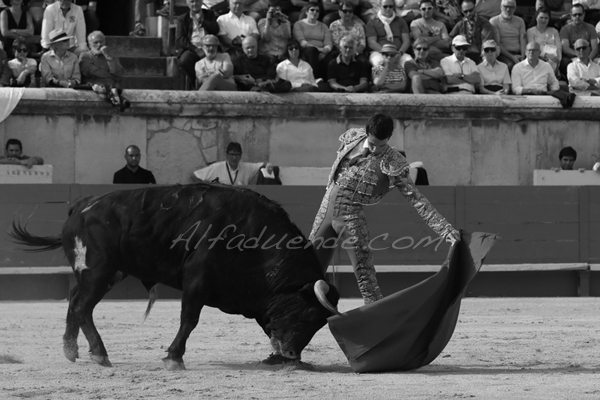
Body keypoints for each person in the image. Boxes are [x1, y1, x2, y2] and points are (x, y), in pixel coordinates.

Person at [308, 113, 460, 304]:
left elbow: (418, 201)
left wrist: (445, 229)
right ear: (366, 132)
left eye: (380, 145)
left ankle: (377, 318)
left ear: (389, 138)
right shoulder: (352, 136)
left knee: (365, 274)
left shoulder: (394, 162)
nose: (374, 149)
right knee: (309, 267)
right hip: (326, 207)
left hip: (350, 215)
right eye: (372, 144)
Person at [79, 31, 130, 112]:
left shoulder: (111, 56)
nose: (99, 45)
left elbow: (119, 73)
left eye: (101, 42)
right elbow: (91, 71)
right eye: (95, 42)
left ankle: (117, 99)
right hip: (97, 88)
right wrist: (111, 75)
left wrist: (108, 57)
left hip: (113, 87)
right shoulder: (85, 56)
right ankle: (118, 100)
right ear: (89, 45)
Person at [175, 0, 220, 86]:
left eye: (197, 1)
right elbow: (180, 40)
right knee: (185, 60)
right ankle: (197, 81)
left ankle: (211, 83)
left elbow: (216, 30)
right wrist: (196, 50)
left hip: (209, 47)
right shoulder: (182, 18)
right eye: (192, 2)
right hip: (193, 49)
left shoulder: (209, 14)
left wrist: (202, 22)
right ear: (187, 3)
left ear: (202, 2)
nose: (195, 4)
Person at [192, 141, 274, 185]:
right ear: (227, 155)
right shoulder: (216, 168)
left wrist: (269, 166)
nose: (234, 158)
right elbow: (194, 176)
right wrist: (207, 187)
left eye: (236, 155)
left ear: (241, 156)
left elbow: (263, 164)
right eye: (231, 154)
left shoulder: (247, 167)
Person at [292, 1, 334, 79]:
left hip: (322, 51)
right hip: (306, 50)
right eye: (312, 10)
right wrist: (319, 49)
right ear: (306, 12)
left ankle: (326, 82)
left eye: (317, 11)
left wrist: (325, 51)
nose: (315, 12)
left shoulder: (323, 26)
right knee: (312, 51)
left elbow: (328, 42)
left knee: (329, 57)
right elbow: (302, 42)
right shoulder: (299, 24)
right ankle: (313, 79)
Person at [366, 0, 412, 68]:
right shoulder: (372, 22)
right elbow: (372, 42)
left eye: (390, 6)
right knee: (378, 63)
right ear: (380, 6)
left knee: (410, 62)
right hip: (380, 53)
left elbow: (406, 41)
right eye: (385, 6)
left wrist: (400, 53)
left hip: (398, 53)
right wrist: (387, 54)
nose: (388, 9)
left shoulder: (401, 21)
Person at [559, 4, 599, 76]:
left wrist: (588, 58)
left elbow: (595, 49)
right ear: (571, 16)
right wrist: (580, 55)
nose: (577, 17)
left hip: (589, 56)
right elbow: (566, 49)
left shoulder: (591, 28)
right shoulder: (565, 29)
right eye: (575, 15)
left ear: (584, 15)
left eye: (580, 14)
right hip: (573, 57)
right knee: (565, 63)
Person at [489, 0, 526, 71]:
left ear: (515, 8)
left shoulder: (520, 21)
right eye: (506, 6)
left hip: (518, 53)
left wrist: (523, 56)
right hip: (502, 54)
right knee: (510, 65)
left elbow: (523, 39)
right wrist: (512, 57)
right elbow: (497, 43)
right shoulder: (494, 21)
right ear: (500, 7)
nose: (508, 9)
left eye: (511, 7)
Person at [527, 7, 562, 74]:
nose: (543, 20)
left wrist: (557, 58)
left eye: (546, 18)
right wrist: (545, 55)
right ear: (536, 17)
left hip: (554, 57)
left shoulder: (554, 31)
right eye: (541, 17)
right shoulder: (530, 31)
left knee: (552, 62)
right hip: (537, 56)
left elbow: (559, 46)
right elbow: (532, 47)